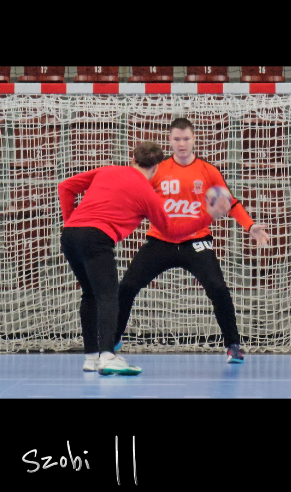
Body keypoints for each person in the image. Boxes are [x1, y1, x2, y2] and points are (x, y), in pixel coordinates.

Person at [57, 140, 231, 376]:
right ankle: (107, 356)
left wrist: (70, 221)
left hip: (69, 237)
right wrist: (208, 217)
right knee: (108, 296)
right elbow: (172, 232)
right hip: (96, 238)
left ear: (133, 160)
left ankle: (91, 357)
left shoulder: (108, 170)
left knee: (90, 294)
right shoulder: (148, 194)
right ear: (157, 167)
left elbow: (65, 186)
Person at [113, 117, 270, 364]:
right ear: (169, 140)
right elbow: (134, 195)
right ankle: (112, 340)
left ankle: (233, 345)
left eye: (186, 138)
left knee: (218, 288)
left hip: (196, 241)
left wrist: (250, 226)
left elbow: (229, 203)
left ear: (194, 139)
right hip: (161, 241)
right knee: (127, 286)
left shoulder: (208, 171)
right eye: (177, 139)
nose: (182, 144)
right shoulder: (158, 169)